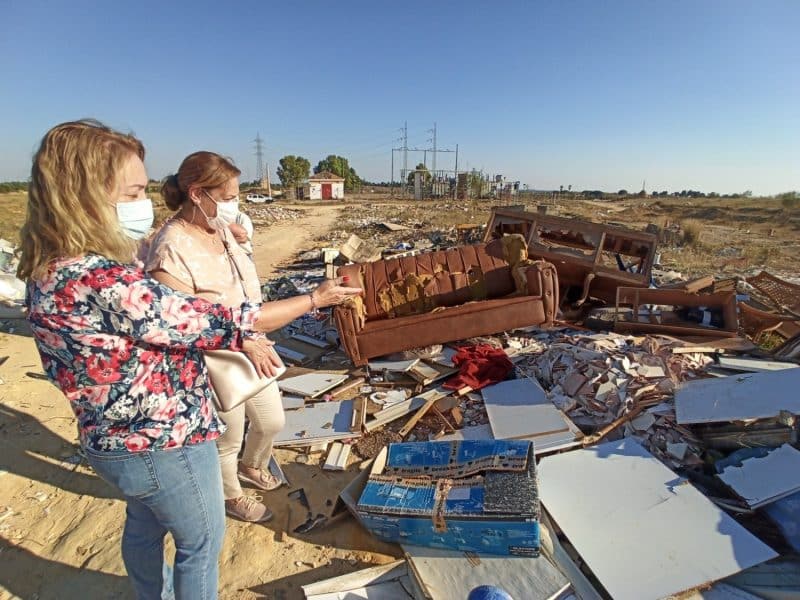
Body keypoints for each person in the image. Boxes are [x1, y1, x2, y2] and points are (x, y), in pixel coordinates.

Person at [18, 120, 360, 600]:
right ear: (86, 194)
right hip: (163, 440)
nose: (146, 202)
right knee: (200, 542)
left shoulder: (53, 269)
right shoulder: (104, 281)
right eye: (134, 191)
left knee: (144, 524)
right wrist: (314, 299)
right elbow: (216, 319)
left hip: (113, 438)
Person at [144, 152, 279, 522]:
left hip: (252, 342)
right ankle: (231, 496)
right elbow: (181, 322)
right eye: (228, 196)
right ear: (198, 194)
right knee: (228, 436)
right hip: (213, 357)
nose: (234, 205)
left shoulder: (218, 228)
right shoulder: (171, 246)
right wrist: (239, 338)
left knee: (271, 422)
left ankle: (253, 465)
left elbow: (242, 279)